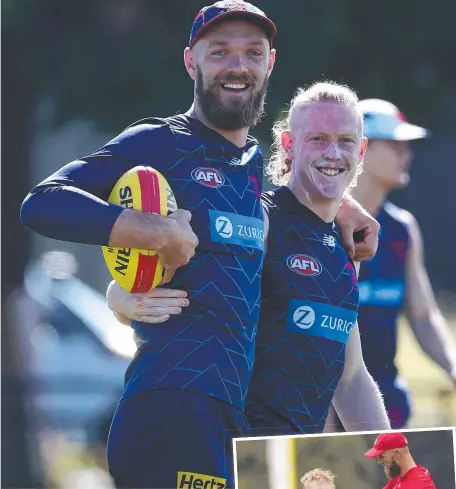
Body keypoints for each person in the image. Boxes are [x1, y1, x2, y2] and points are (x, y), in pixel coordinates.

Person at [20, 0, 380, 488]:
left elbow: (290, 197)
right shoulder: (161, 141)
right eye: (220, 52)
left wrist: (342, 204)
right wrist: (150, 235)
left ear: (269, 63)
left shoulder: (252, 165)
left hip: (230, 422)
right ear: (192, 61)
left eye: (253, 53)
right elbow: (43, 202)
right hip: (172, 405)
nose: (238, 65)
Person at [107, 82, 391, 437]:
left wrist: (397, 464)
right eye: (318, 138)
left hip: (295, 458)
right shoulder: (258, 220)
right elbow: (165, 274)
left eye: (346, 141)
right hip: (232, 449)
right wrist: (118, 297)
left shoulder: (347, 244)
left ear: (361, 150)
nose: (333, 152)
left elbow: (350, 377)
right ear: (289, 145)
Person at [325, 99, 456, 432]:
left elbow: (424, 317)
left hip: (388, 408)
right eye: (396, 144)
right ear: (362, 149)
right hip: (321, 411)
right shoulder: (317, 227)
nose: (407, 154)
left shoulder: (402, 230)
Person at [364, 432, 436, 489]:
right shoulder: (399, 476)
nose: (379, 461)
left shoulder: (418, 483)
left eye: (382, 457)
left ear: (397, 453)